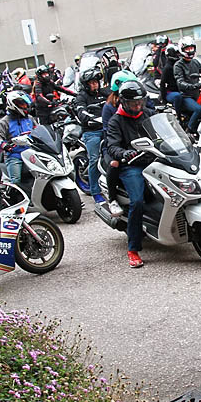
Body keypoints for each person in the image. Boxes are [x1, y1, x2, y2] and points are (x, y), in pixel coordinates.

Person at [105, 80, 156, 268]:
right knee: (137, 201)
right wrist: (124, 153)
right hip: (132, 165)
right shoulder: (116, 121)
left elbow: (162, 131)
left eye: (140, 102)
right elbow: (112, 146)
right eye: (133, 103)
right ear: (124, 103)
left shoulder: (149, 114)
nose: (137, 106)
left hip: (154, 160)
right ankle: (133, 249)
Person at [101, 72, 137, 219]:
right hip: (112, 145)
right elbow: (109, 134)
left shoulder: (136, 102)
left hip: (132, 143)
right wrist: (120, 150)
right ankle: (113, 199)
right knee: (115, 163)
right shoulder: (109, 107)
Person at [73, 68, 108, 207]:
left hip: (107, 129)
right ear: (86, 84)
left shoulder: (104, 92)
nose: (95, 85)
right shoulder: (81, 97)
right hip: (92, 132)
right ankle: (96, 192)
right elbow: (81, 112)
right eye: (92, 83)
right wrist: (93, 118)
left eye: (96, 82)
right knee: (94, 159)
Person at [0, 91, 35, 186]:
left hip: (31, 153)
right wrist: (4, 145)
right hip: (15, 155)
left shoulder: (30, 119)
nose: (25, 106)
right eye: (22, 104)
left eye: (25, 104)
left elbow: (39, 130)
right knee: (16, 180)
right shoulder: (5, 121)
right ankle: (14, 197)